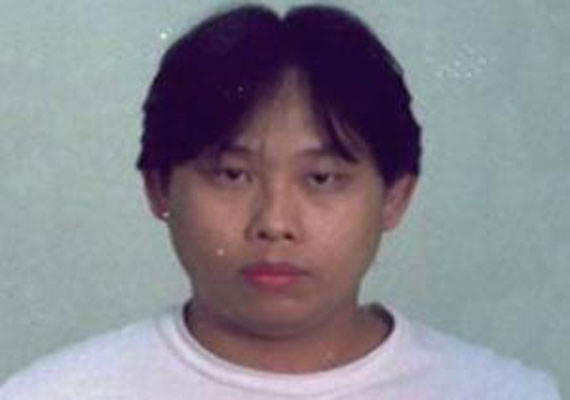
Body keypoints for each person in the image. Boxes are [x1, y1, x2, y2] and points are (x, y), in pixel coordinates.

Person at [0, 4, 560, 399]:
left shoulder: (505, 393)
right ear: (159, 188)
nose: (274, 223)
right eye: (231, 174)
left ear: (394, 196)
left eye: (322, 178)